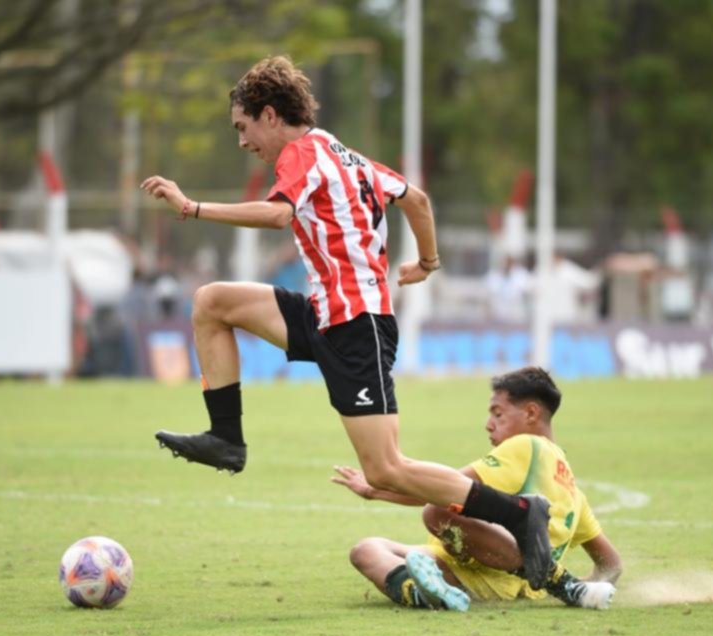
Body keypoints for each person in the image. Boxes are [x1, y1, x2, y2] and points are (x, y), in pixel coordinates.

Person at [140, 56, 555, 588]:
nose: (242, 142)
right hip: (326, 312)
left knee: (385, 469)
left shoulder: (301, 153)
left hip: (355, 325)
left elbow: (278, 214)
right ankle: (226, 438)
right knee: (213, 302)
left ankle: (520, 513)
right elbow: (419, 201)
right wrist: (426, 264)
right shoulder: (344, 153)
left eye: (242, 128)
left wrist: (193, 207)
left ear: (269, 115)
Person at [331, 367, 622, 611]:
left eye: (498, 414)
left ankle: (560, 581)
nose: (488, 424)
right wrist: (587, 583)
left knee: (437, 512)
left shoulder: (528, 446)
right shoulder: (575, 494)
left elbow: (438, 490)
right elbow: (611, 564)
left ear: (531, 413)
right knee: (367, 549)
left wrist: (376, 489)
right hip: (460, 570)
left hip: (485, 573)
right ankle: (431, 595)